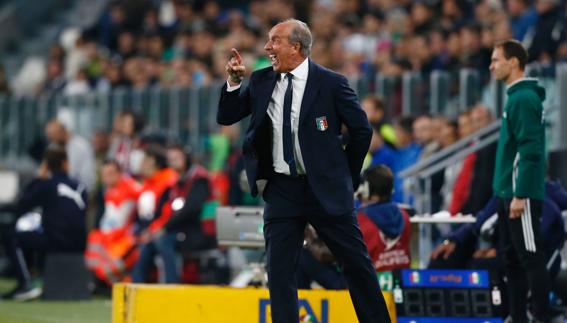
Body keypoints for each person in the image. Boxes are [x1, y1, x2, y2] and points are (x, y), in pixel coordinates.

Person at [218, 18, 390, 323]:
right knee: (280, 271)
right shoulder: (260, 81)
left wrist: (345, 177)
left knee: (355, 264)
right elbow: (228, 115)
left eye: (275, 41)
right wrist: (233, 83)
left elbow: (362, 131)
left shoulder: (331, 83)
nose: (267, 47)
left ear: (296, 47)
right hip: (282, 190)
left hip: (324, 189)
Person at [489, 39, 550, 323]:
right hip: (508, 192)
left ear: (513, 62)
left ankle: (541, 317)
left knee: (530, 256)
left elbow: (529, 150)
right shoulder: (516, 97)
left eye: (496, 60)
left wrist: (520, 193)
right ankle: (517, 317)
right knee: (512, 261)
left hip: (519, 194)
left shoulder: (524, 99)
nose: (492, 66)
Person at [1, 147, 87, 300]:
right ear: (65, 164)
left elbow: (22, 204)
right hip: (81, 243)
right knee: (41, 229)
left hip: (56, 242)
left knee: (12, 237)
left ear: (46, 166)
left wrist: (38, 178)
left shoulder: (46, 185)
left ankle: (26, 284)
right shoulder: (80, 186)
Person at [132, 145, 215, 283]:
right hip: (182, 230)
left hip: (200, 232)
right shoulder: (175, 182)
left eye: (177, 158)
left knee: (163, 241)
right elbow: (163, 210)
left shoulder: (199, 178)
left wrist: (163, 228)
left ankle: (172, 284)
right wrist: (153, 230)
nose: (173, 162)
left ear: (186, 158)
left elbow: (191, 209)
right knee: (148, 244)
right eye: (170, 159)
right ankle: (137, 284)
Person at [45, 119, 96, 192]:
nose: (50, 138)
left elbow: (87, 176)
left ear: (62, 132)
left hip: (77, 191)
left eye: (52, 135)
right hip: (55, 192)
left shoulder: (81, 146)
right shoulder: (52, 147)